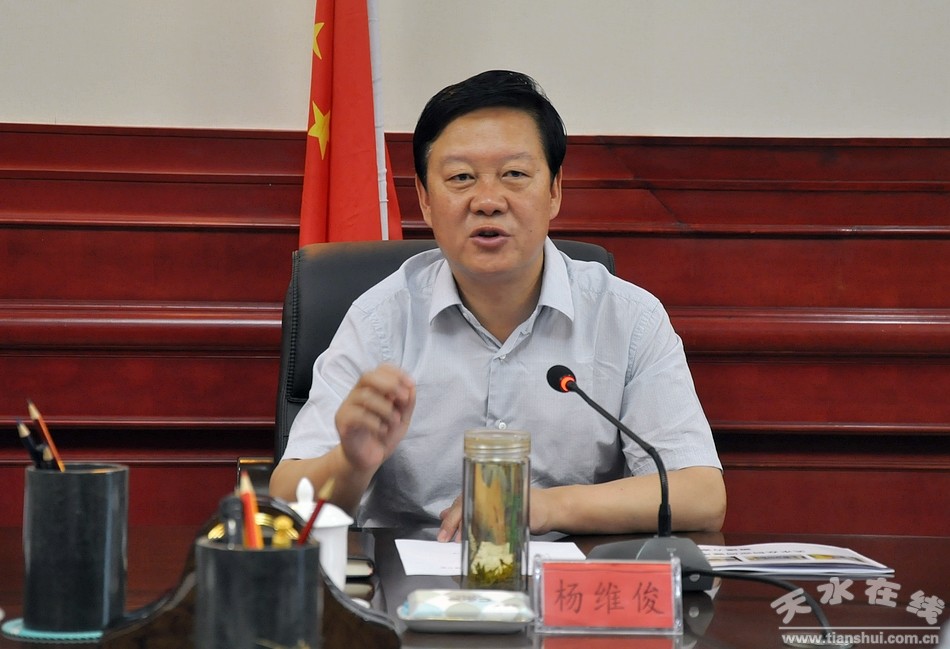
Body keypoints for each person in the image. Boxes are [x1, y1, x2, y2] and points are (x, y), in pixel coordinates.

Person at [270, 70, 726, 540]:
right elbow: (287, 497)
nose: (487, 201)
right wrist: (350, 463)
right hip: (411, 579)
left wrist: (543, 506)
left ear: (554, 190)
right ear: (425, 199)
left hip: (568, 580)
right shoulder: (380, 320)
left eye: (514, 175)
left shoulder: (627, 318)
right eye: (461, 178)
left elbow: (701, 494)